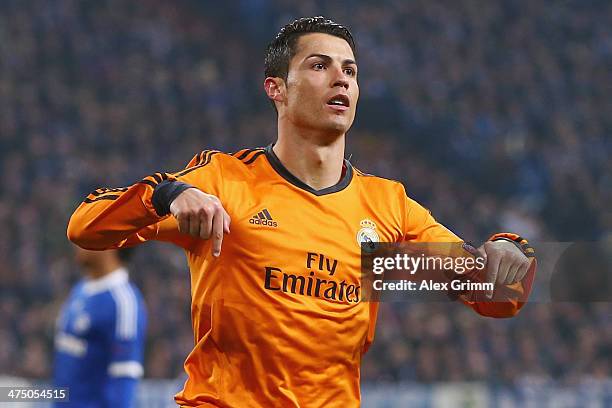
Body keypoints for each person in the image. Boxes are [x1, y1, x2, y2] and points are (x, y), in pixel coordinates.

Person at [67, 16, 535, 408]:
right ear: (276, 88)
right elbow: (86, 228)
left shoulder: (387, 208)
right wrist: (166, 195)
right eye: (319, 66)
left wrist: (511, 249)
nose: (341, 79)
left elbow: (493, 293)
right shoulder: (226, 182)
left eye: (350, 71)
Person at [53, 247, 147, 407]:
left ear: (108, 242)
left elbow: (124, 384)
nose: (76, 242)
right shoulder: (80, 290)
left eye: (86, 232)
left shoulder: (123, 303)